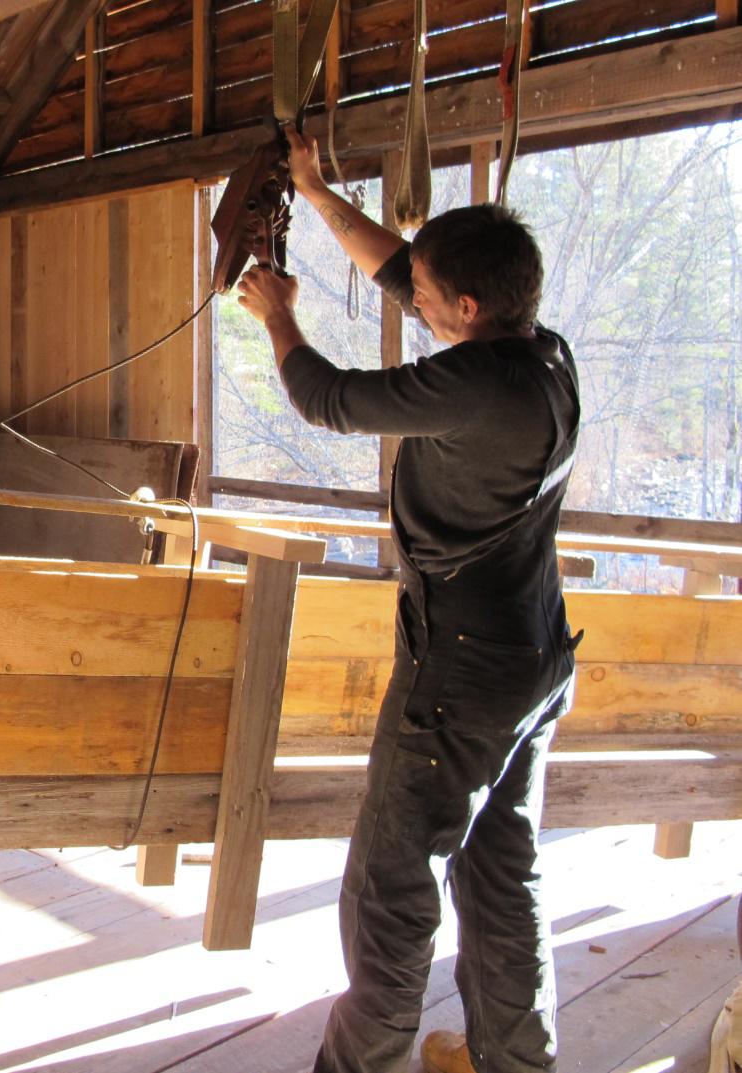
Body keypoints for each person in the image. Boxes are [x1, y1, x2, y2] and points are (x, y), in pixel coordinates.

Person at [237, 128, 583, 1073]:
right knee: (502, 874)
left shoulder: (472, 383)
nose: (414, 306)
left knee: (392, 893)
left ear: (467, 309)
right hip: (533, 659)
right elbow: (402, 267)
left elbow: (328, 399)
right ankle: (520, 1060)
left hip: (459, 673)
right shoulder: (542, 353)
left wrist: (277, 314)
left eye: (430, 304)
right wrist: (312, 189)